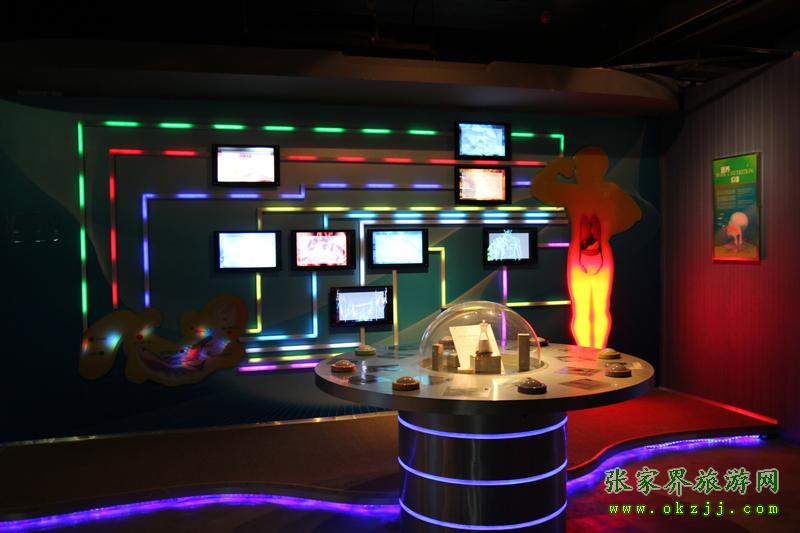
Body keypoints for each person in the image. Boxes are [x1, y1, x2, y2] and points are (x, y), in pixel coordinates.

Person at [531, 147, 641, 348]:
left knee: (591, 309)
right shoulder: (596, 192)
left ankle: (592, 354)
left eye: (580, 166)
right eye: (578, 167)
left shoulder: (595, 192)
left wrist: (555, 167)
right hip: (591, 257)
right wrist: (609, 229)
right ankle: (591, 354)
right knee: (590, 309)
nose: (579, 171)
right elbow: (538, 188)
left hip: (586, 257)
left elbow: (634, 213)